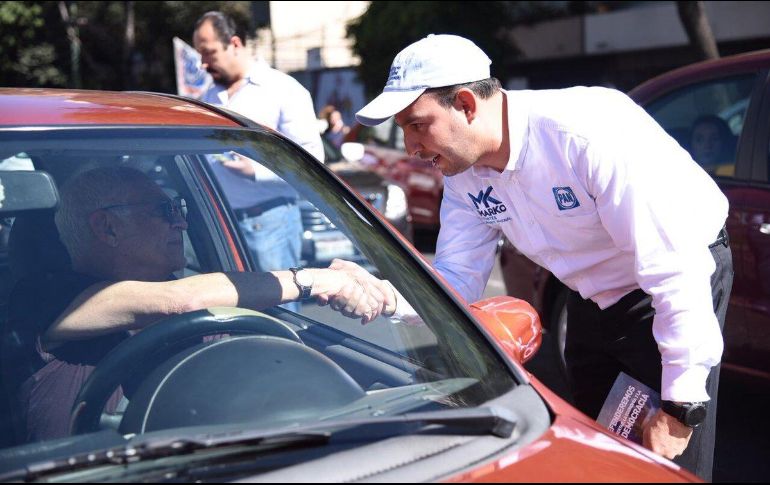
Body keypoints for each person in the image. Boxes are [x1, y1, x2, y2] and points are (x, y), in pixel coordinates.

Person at [354, 34, 732, 481]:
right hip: (588, 297)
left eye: (417, 125)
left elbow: (675, 268)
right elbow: (456, 278)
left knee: (662, 461)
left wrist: (680, 406)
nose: (411, 146)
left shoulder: (585, 134)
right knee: (600, 454)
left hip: (667, 286)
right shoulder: (462, 171)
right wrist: (384, 296)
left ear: (466, 104)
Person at [4, 166, 387, 442]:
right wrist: (313, 280)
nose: (181, 224)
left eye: (180, 209)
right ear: (107, 227)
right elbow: (179, 301)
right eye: (165, 211)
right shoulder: (46, 296)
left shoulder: (198, 296)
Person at [193, 12, 323, 299]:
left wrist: (255, 172)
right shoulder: (207, 99)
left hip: (270, 223)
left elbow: (312, 164)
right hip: (217, 225)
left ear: (234, 44)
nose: (203, 63)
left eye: (209, 53)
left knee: (278, 318)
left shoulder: (283, 90)